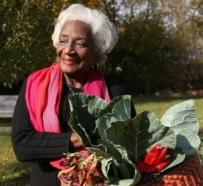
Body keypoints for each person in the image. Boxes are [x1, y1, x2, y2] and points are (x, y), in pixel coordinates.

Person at [12, 3, 136, 186]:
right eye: (63, 40)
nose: (68, 50)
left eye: (79, 43)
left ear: (97, 52)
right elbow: (22, 145)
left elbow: (130, 150)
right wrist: (79, 139)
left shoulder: (115, 93)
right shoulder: (34, 85)